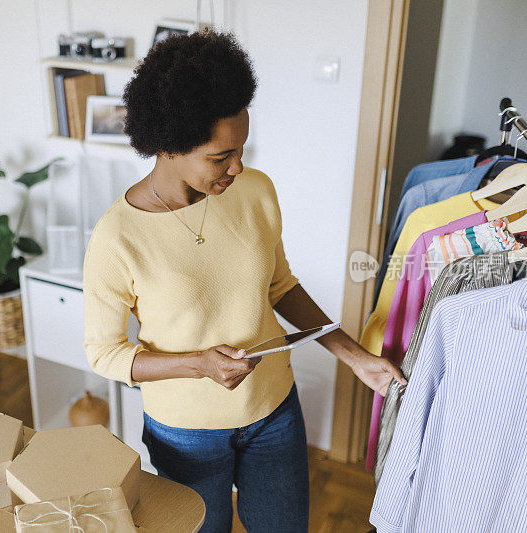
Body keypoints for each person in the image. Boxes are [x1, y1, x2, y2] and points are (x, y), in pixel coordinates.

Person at [83, 30, 405, 532]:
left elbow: (280, 285)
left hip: (274, 412)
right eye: (220, 157)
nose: (237, 166)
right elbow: (104, 354)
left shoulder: (255, 191)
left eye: (241, 149)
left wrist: (356, 358)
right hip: (186, 434)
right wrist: (197, 364)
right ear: (169, 145)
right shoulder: (117, 237)